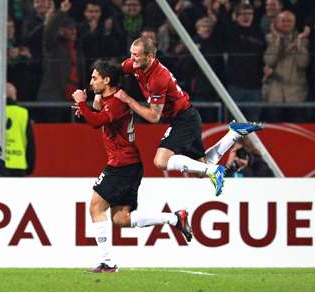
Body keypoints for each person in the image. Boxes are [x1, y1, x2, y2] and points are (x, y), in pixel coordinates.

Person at [71, 60, 192, 273]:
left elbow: (97, 122)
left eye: (95, 77)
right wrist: (88, 108)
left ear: (107, 80)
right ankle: (174, 218)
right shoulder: (110, 98)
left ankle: (107, 262)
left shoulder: (117, 101)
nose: (91, 82)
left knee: (95, 207)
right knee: (121, 218)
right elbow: (98, 116)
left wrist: (82, 103)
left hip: (122, 164)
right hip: (128, 164)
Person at [115, 37, 264, 196]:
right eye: (131, 54)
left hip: (184, 119)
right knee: (200, 170)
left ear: (150, 57)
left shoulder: (158, 78)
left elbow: (154, 117)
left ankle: (214, 170)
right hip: (186, 117)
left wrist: (128, 100)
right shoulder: (136, 64)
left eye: (136, 55)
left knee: (161, 161)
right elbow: (118, 69)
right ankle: (233, 134)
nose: (132, 58)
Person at [0, 82, 36, 177]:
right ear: (13, 95)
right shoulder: (23, 113)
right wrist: (30, 167)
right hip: (17, 167)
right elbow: (30, 143)